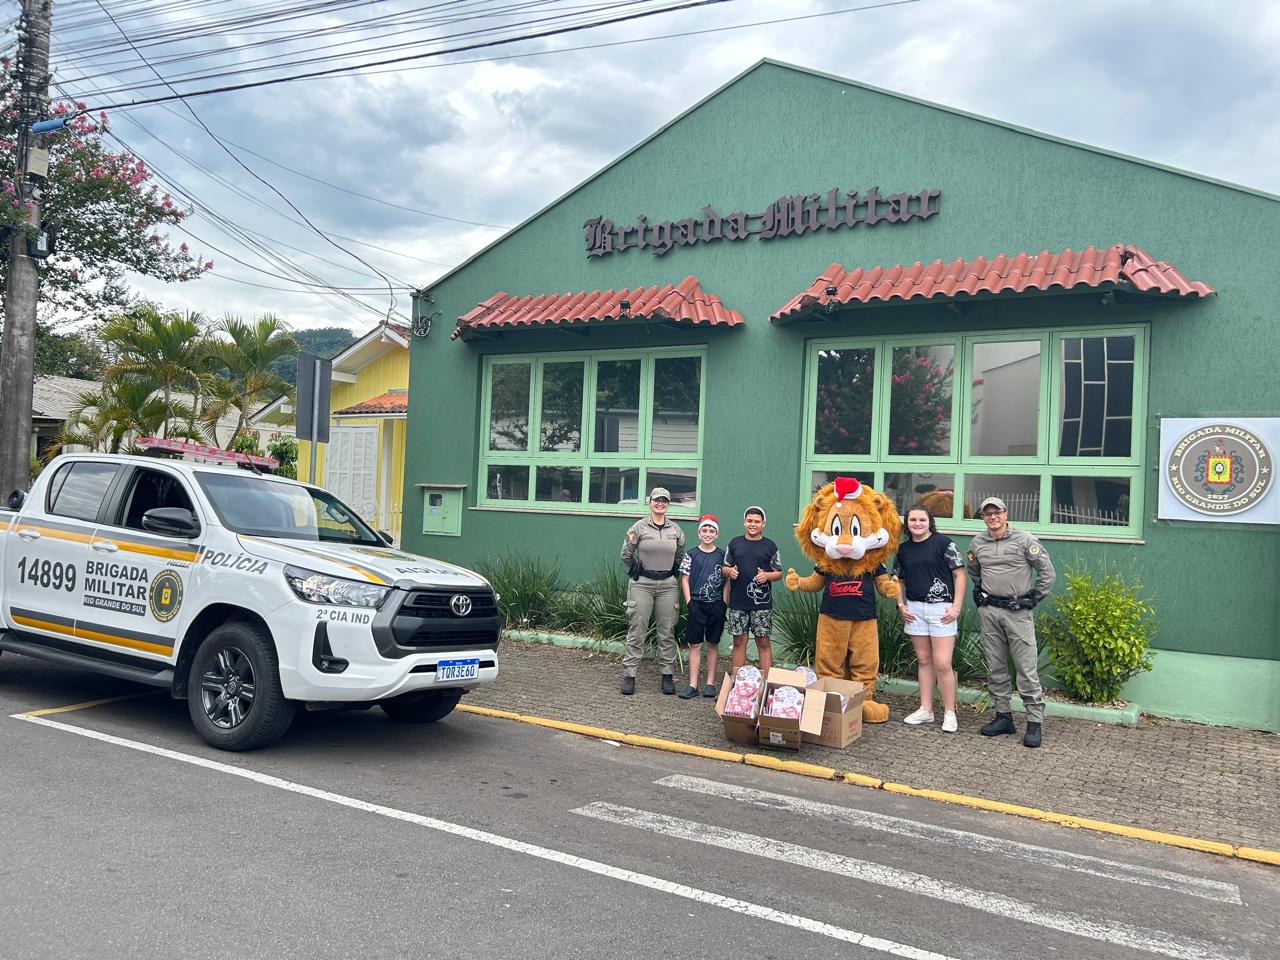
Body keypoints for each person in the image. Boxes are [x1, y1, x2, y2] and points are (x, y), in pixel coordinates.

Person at [965, 496, 1056, 748]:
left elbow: (1047, 572)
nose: (992, 517)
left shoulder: (1025, 540)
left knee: (1026, 669)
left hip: (1018, 612)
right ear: (983, 517)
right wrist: (979, 591)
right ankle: (1003, 717)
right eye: (987, 514)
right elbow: (974, 570)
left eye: (997, 513)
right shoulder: (977, 542)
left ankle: (1034, 723)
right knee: (995, 666)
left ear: (1005, 514)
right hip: (990, 612)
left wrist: (1034, 598)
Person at [893, 504, 966, 733]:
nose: (917, 524)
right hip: (915, 609)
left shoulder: (944, 544)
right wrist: (901, 604)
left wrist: (956, 608)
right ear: (907, 523)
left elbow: (960, 575)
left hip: (941, 610)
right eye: (912, 520)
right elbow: (897, 579)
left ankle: (949, 712)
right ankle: (926, 709)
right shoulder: (902, 550)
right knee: (924, 660)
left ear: (929, 522)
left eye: (922, 520)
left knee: (943, 663)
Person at [619, 486, 686, 696]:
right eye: (657, 500)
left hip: (668, 585)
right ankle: (630, 675)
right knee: (637, 629)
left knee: (667, 631)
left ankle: (667, 676)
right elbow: (625, 554)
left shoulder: (676, 530)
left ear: (668, 504)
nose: (660, 504)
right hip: (643, 584)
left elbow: (680, 556)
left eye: (664, 500)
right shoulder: (638, 528)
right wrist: (637, 567)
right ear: (650, 502)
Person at [723, 506, 782, 676]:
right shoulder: (734, 543)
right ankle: (737, 681)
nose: (753, 524)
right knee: (739, 641)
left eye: (757, 521)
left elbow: (778, 573)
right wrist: (729, 572)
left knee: (763, 642)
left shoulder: (770, 546)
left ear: (763, 524)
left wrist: (767, 576)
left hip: (761, 605)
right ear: (744, 522)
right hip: (738, 602)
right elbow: (724, 567)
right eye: (750, 521)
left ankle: (764, 684)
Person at [678, 514, 728, 699]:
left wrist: (724, 602)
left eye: (711, 530)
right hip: (696, 604)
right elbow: (685, 578)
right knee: (696, 644)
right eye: (704, 530)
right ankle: (692, 684)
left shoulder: (722, 555)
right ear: (699, 532)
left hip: (715, 605)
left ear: (717, 534)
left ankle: (710, 683)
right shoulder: (691, 554)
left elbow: (726, 581)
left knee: (713, 644)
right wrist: (689, 601)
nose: (708, 533)